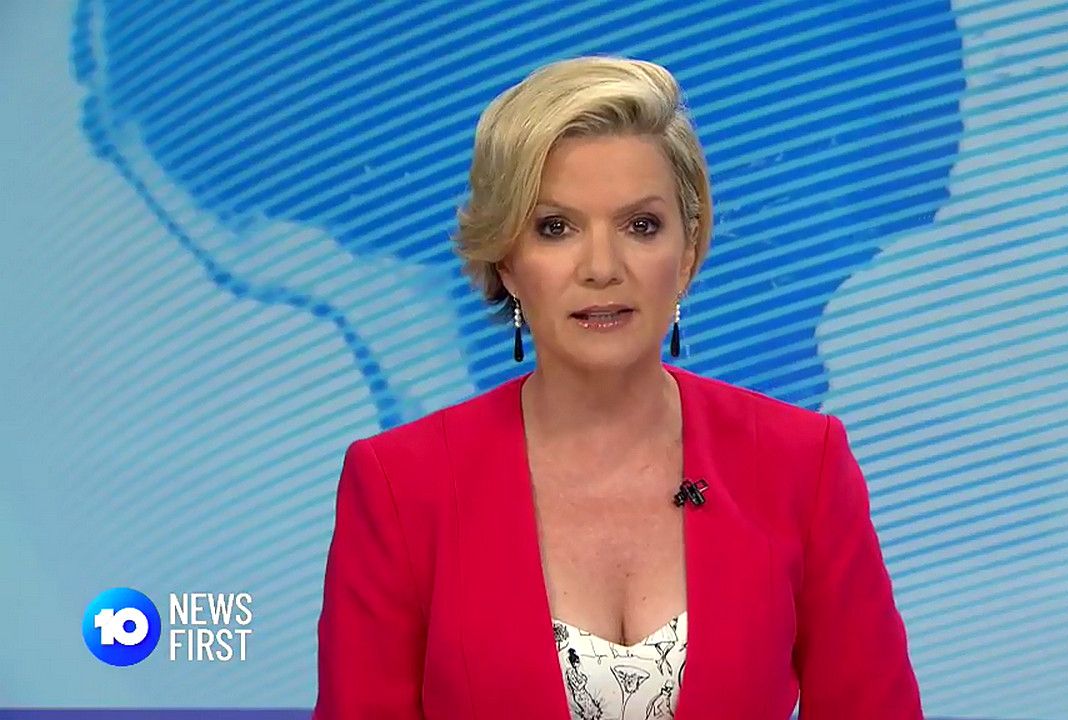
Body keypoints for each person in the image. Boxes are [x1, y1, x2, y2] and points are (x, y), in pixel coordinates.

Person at [314, 55, 923, 719]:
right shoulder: (401, 485)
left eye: (641, 226)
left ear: (686, 252)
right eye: (556, 227)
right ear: (507, 260)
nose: (602, 267)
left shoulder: (802, 463)